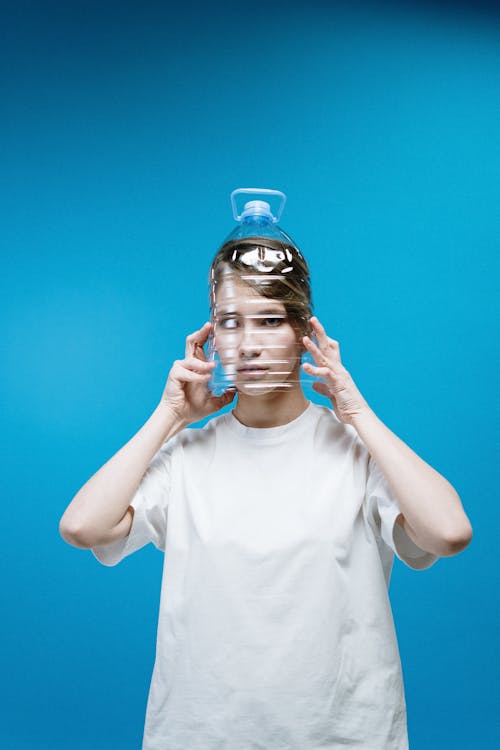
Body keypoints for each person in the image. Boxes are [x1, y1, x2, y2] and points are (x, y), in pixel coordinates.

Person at [59, 236, 473, 750]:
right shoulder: (187, 457)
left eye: (271, 320)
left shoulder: (357, 454)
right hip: (199, 735)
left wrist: (359, 415)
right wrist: (169, 418)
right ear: (211, 338)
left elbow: (449, 533)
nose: (248, 343)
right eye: (230, 322)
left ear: (305, 332)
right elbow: (82, 527)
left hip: (341, 736)